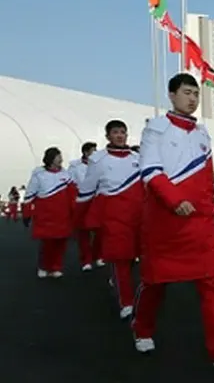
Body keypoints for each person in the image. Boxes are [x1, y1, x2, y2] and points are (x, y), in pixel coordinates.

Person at [133, 73, 214, 369]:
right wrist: (174, 201)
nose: (193, 98)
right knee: (155, 282)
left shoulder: (201, 133)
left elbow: (208, 176)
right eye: (187, 92)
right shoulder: (156, 129)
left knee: (213, 282)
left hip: (200, 223)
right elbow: (150, 171)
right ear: (171, 95)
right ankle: (142, 329)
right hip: (165, 222)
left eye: (196, 93)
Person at [76, 120, 143, 320]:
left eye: (123, 132)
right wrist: (79, 218)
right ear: (108, 136)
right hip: (113, 218)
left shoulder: (138, 157)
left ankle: (120, 282)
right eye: (115, 132)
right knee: (119, 258)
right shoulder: (99, 159)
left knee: (132, 258)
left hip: (137, 217)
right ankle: (126, 302)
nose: (120, 136)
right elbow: (87, 189)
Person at [23, 147, 75, 278]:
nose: (61, 159)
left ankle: (56, 267)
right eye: (58, 156)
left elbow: (73, 194)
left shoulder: (66, 175)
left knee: (61, 243)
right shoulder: (39, 175)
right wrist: (27, 213)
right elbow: (30, 194)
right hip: (45, 216)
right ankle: (43, 266)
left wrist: (75, 212)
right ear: (51, 158)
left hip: (63, 216)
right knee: (47, 244)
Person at [69, 141, 102, 271]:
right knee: (83, 233)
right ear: (86, 153)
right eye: (93, 151)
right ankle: (86, 260)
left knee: (100, 231)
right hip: (82, 201)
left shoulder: (100, 165)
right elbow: (71, 185)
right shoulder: (75, 167)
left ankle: (98, 256)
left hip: (97, 200)